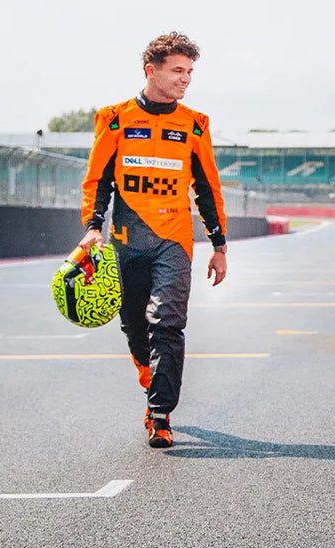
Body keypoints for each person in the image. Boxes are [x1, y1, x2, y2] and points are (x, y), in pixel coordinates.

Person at [77, 32, 229, 448]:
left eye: (190, 72)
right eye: (178, 70)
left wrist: (219, 246)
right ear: (151, 70)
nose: (186, 79)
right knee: (134, 326)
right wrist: (93, 226)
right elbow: (98, 180)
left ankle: (160, 414)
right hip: (126, 241)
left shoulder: (195, 124)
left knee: (168, 323)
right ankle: (150, 380)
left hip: (174, 240)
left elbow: (208, 189)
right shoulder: (114, 119)